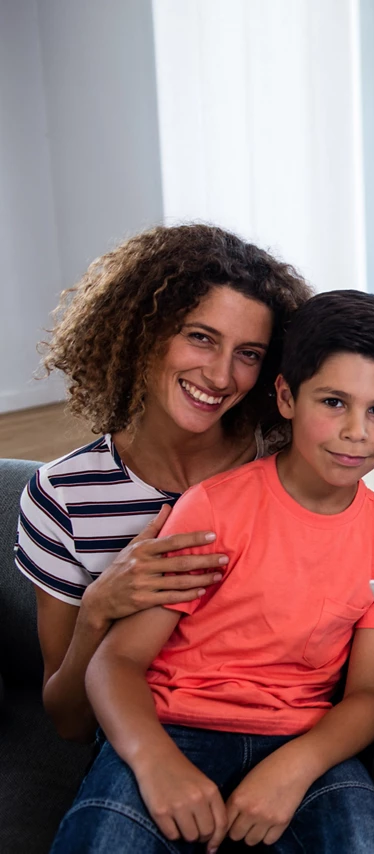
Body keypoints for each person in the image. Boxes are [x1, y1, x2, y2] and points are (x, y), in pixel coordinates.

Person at [49, 290, 374, 853]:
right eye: (333, 402)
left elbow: (370, 694)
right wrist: (154, 761)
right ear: (286, 397)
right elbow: (117, 662)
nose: (356, 433)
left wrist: (295, 767)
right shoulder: (212, 508)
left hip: (302, 742)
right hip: (174, 727)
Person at [15, 224, 311, 742]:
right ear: (144, 332)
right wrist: (98, 609)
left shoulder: (288, 460)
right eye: (200, 337)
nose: (220, 377)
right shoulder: (60, 495)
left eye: (249, 354)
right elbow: (68, 720)